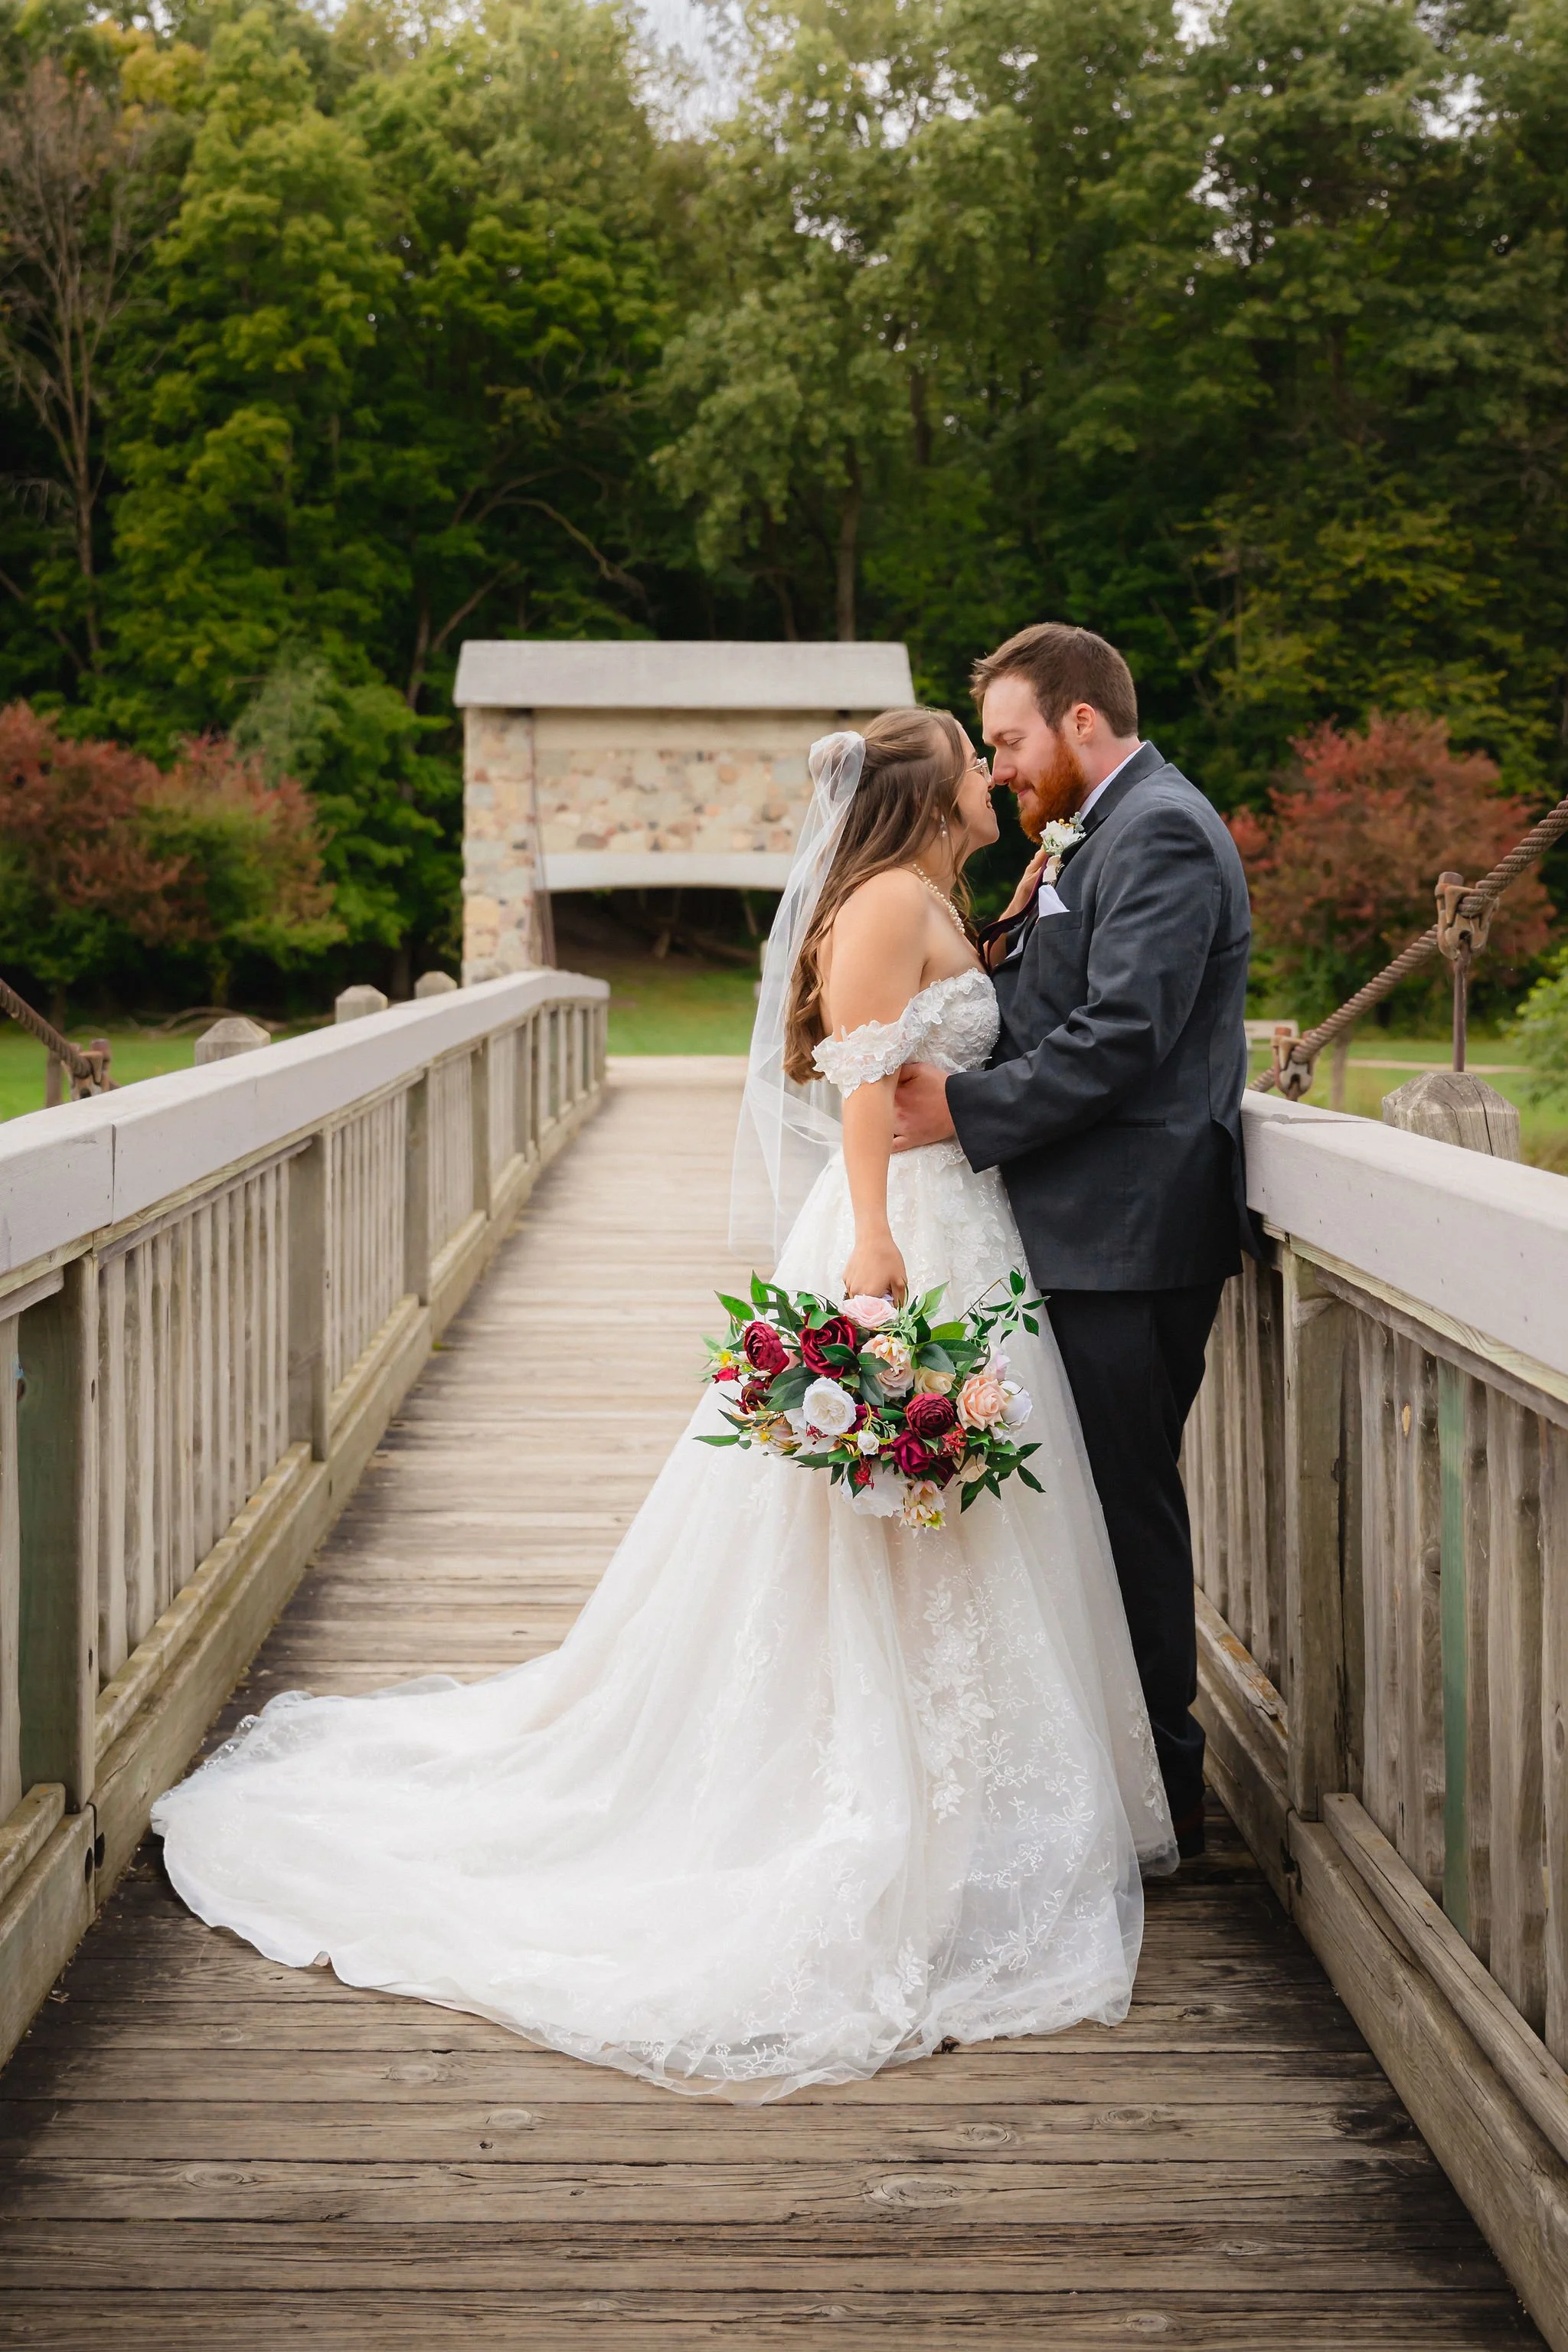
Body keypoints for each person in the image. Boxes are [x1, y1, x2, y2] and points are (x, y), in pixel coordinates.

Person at [152, 707, 1174, 2104]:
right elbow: (866, 1081)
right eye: (975, 752)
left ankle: (976, 1797)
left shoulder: (929, 894)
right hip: (907, 1230)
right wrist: (873, 1244)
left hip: (964, 1220)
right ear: (929, 785)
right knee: (891, 1516)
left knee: (955, 1516)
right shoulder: (882, 901)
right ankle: (881, 1794)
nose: (997, 773)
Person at [893, 627, 1258, 1858]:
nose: (996, 770)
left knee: (1123, 1514)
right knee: (1078, 1517)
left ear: (1082, 722)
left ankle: (1166, 1798)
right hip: (1081, 1231)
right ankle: (1106, 1787)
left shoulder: (1155, 829)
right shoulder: (1096, 828)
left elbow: (1123, 1036)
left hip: (1128, 1238)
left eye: (1008, 740)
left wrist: (959, 1110)